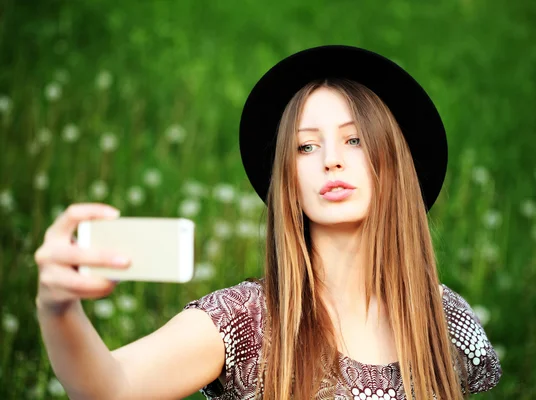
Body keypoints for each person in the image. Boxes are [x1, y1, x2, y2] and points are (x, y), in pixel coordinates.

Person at [35, 45, 502, 399]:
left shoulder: (447, 322)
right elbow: (111, 388)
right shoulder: (245, 321)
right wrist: (58, 308)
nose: (331, 161)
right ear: (287, 179)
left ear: (394, 162)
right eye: (306, 146)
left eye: (354, 140)